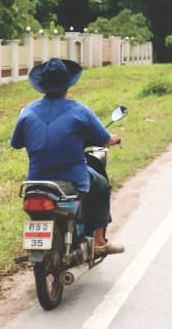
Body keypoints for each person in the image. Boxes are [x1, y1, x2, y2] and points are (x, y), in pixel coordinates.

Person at [10, 58, 124, 255]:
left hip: (36, 180)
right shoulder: (79, 110)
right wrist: (114, 138)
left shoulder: (27, 112)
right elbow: (104, 139)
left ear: (42, 85)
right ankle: (98, 241)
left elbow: (16, 143)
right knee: (102, 186)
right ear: (68, 84)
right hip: (73, 178)